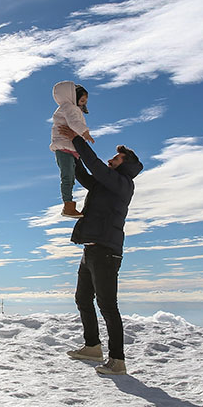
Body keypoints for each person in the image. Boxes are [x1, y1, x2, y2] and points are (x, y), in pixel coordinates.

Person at [58, 123, 143, 376]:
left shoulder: (123, 183)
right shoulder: (106, 184)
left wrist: (77, 141)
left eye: (116, 158)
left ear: (125, 164)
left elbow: (94, 165)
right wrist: (68, 156)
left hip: (106, 252)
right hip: (92, 250)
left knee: (107, 305)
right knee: (82, 298)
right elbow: (86, 175)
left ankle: (117, 360)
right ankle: (93, 346)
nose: (110, 159)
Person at [50, 81, 94, 218]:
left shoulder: (71, 108)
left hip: (69, 148)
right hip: (64, 147)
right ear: (71, 95)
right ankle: (68, 206)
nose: (84, 102)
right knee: (67, 177)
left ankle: (68, 204)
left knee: (70, 177)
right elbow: (74, 123)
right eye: (82, 99)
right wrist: (85, 132)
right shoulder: (69, 107)